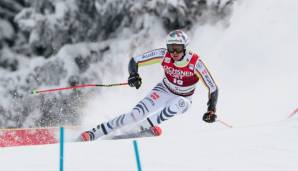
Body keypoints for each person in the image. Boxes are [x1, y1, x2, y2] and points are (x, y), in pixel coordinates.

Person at [81, 30, 218, 141]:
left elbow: (213, 87)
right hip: (164, 90)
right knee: (135, 114)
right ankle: (96, 132)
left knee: (180, 103)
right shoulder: (164, 55)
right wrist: (133, 74)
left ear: (185, 48)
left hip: (184, 97)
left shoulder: (195, 63)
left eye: (178, 48)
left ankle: (140, 129)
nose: (174, 53)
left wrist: (211, 110)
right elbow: (135, 61)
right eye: (171, 48)